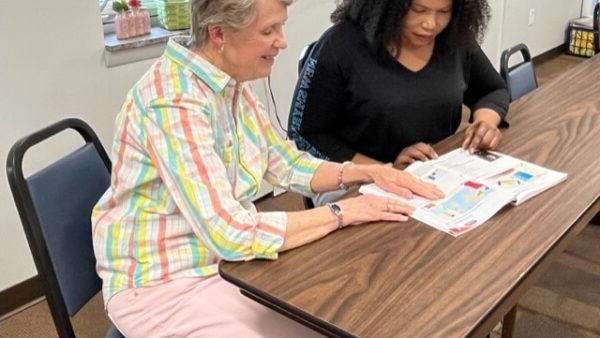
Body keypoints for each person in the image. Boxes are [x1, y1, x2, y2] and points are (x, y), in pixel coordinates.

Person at [91, 0, 444, 336]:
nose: (282, 41)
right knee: (330, 320)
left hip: (223, 265)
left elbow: (287, 164)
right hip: (163, 283)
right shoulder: (173, 104)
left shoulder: (231, 86)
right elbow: (232, 233)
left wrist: (369, 173)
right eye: (269, 30)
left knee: (339, 315)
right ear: (219, 34)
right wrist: (345, 211)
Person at [288, 0, 509, 205]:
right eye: (418, 10)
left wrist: (485, 123)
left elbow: (493, 89)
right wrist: (383, 170)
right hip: (352, 178)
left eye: (443, 12)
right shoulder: (341, 45)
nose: (430, 24)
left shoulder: (454, 39)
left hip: (433, 171)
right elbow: (305, 133)